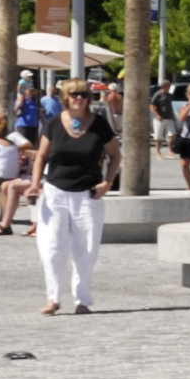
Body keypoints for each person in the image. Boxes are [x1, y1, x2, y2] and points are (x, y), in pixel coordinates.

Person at [31, 83, 119, 317]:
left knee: (86, 248)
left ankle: (82, 300)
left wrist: (107, 183)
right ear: (65, 97)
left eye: (83, 94)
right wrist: (34, 184)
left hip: (88, 194)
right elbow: (41, 156)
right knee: (51, 247)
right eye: (74, 94)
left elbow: (115, 154)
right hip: (55, 191)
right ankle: (53, 298)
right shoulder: (53, 123)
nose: (79, 98)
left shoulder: (99, 123)